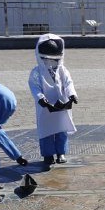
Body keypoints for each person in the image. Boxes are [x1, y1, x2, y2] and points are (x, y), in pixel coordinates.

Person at [29, 33, 78, 166]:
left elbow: (68, 83)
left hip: (62, 104)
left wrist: (72, 95)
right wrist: (40, 98)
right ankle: (48, 155)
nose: (51, 62)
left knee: (62, 129)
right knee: (46, 131)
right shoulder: (37, 72)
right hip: (46, 106)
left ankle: (61, 152)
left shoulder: (63, 70)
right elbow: (34, 87)